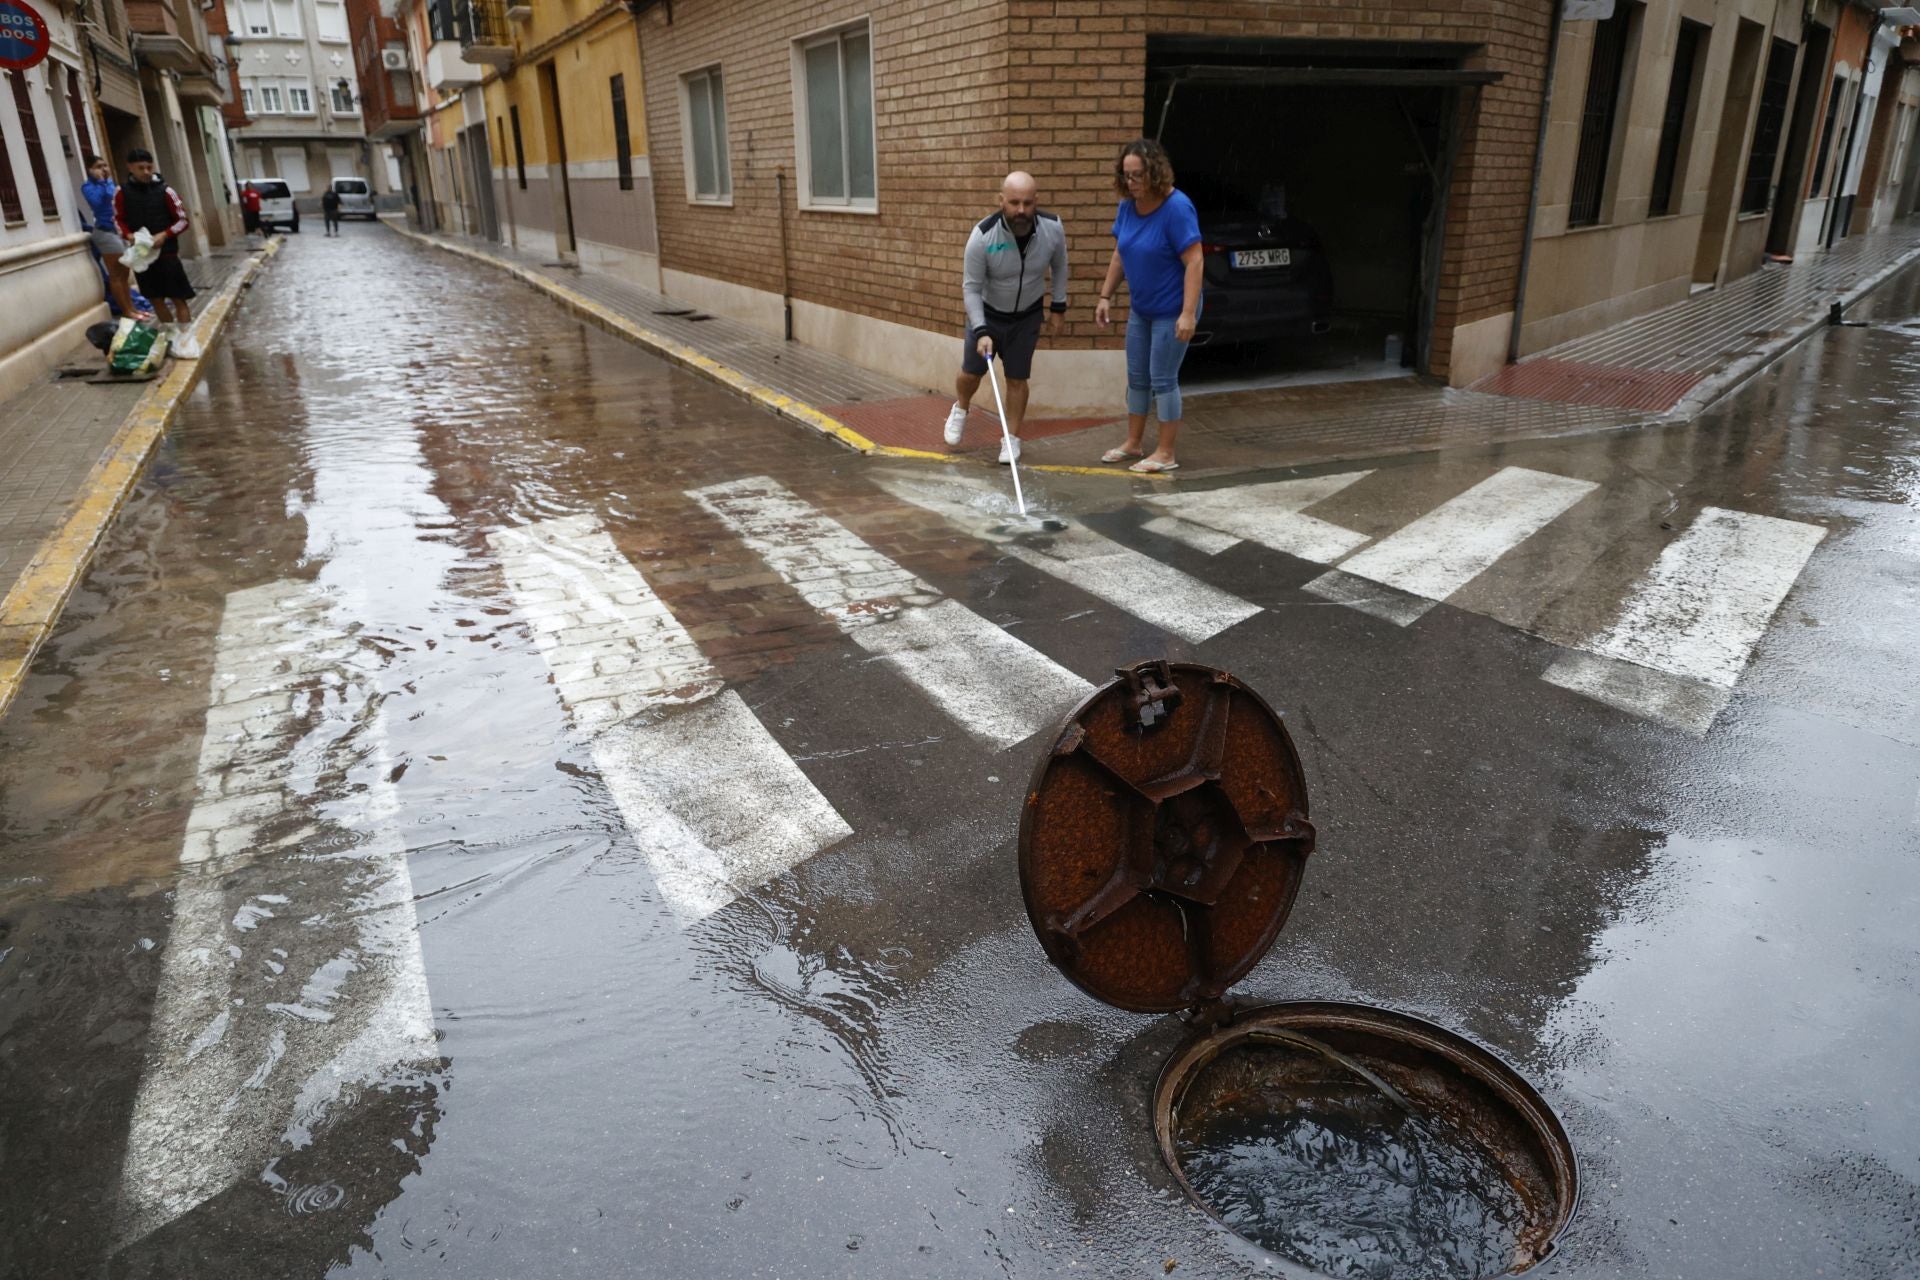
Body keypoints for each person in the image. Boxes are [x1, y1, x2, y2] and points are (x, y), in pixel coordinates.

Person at [944, 171, 1068, 463]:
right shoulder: (983, 236)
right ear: (1001, 201)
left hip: (1026, 316)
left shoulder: (1052, 229)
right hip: (987, 314)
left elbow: (1060, 267)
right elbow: (971, 288)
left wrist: (1058, 308)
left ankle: (1011, 438)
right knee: (970, 373)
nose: (1021, 210)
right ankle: (961, 407)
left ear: (1036, 201)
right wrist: (982, 329)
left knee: (1017, 379)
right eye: (1014, 203)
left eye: (1027, 203)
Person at [1095, 138, 1203, 474]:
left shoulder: (1177, 208)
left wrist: (1187, 313)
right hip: (1142, 309)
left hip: (1173, 309)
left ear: (1155, 172)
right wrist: (1105, 295)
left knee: (1163, 379)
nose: (1132, 182)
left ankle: (1166, 453)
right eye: (1127, 176)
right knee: (1137, 377)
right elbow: (1120, 254)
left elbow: (1195, 261)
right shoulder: (1128, 206)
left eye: (1138, 175)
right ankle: (1133, 443)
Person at [113, 148, 201, 359]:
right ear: (130, 168)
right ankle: (171, 335)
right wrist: (129, 236)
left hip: (168, 254)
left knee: (179, 298)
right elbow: (118, 219)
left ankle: (186, 336)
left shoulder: (166, 191)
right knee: (155, 299)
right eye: (140, 168)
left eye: (149, 167)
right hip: (143, 256)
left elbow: (182, 220)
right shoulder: (122, 193)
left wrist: (165, 234)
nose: (145, 171)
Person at [79, 156, 143, 322]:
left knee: (125, 273)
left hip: (119, 232)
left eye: (105, 165)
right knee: (116, 274)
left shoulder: (111, 184)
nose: (104, 169)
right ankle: (126, 311)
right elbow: (100, 201)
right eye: (99, 166)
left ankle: (132, 308)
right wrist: (102, 181)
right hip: (105, 232)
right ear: (90, 170)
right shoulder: (88, 187)